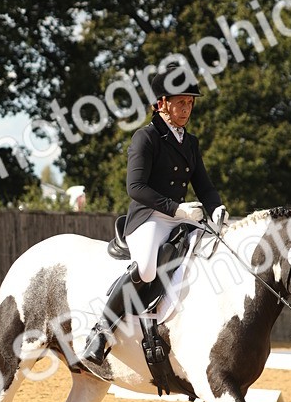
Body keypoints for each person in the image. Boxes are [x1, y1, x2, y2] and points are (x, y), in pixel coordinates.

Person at [81, 65, 227, 364]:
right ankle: (101, 330)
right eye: (180, 102)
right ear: (162, 103)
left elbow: (205, 186)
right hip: (149, 217)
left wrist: (218, 208)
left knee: (213, 254)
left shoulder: (190, 142)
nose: (187, 108)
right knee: (147, 269)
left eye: (190, 103)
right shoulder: (145, 138)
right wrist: (176, 209)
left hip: (182, 217)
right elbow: (135, 187)